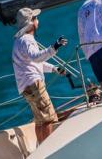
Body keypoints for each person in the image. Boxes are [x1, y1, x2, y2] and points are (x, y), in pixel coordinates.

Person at [12, 8, 67, 143]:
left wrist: (54, 68)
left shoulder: (19, 41)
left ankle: (41, 151)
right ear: (31, 22)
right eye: (35, 18)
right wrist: (55, 46)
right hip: (34, 84)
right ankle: (48, 152)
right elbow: (36, 58)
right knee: (49, 118)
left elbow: (33, 63)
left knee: (40, 121)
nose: (38, 20)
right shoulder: (27, 40)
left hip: (26, 86)